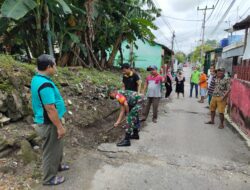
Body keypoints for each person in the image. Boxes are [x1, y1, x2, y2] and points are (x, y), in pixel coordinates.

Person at [31, 54, 68, 186]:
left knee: (57, 146)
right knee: (50, 150)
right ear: (48, 67)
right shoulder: (45, 84)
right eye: (55, 65)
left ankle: (57, 165)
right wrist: (59, 127)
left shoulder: (37, 78)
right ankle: (49, 178)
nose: (56, 67)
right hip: (49, 122)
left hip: (49, 120)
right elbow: (50, 109)